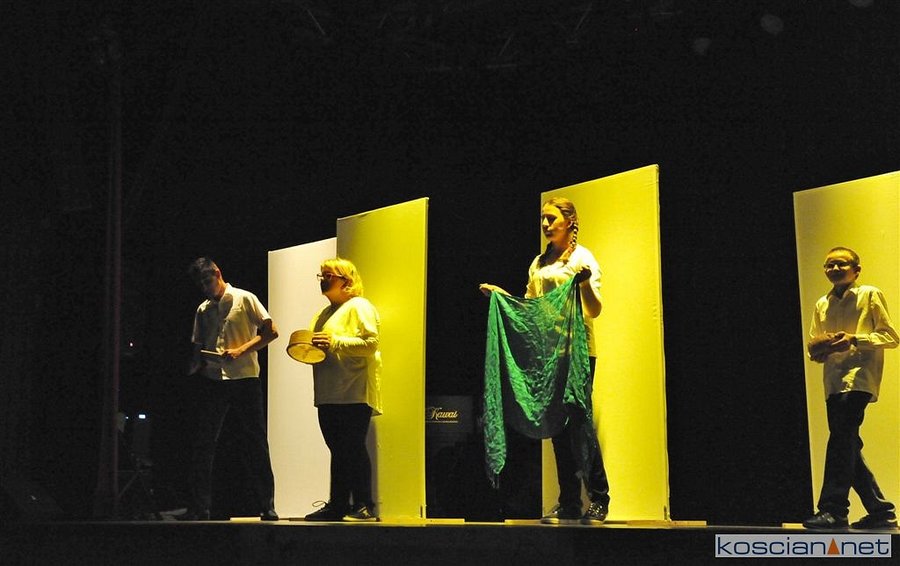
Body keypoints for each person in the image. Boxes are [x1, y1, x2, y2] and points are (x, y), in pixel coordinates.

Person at [480, 196, 610, 525]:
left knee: (579, 424)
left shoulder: (581, 258)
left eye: (552, 218)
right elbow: (531, 308)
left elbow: (594, 310)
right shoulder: (538, 263)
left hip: (577, 352)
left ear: (570, 221)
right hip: (548, 355)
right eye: (542, 218)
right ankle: (569, 502)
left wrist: (583, 284)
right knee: (556, 427)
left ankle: (599, 498)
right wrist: (501, 297)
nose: (545, 224)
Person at [803, 247, 898, 530]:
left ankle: (833, 509)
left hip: (859, 377)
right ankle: (880, 511)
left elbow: (891, 337)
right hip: (833, 381)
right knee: (846, 444)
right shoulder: (822, 303)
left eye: (840, 264)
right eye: (829, 265)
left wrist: (854, 339)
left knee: (841, 441)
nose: (834, 269)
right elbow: (813, 346)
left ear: (856, 270)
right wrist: (820, 348)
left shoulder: (869, 294)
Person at [185, 257, 279, 521]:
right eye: (201, 285)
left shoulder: (244, 298)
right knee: (204, 442)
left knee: (255, 441)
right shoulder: (203, 309)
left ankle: (266, 504)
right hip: (213, 379)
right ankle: (200, 507)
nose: (205, 288)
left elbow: (271, 332)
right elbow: (198, 345)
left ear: (217, 273)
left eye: (207, 281)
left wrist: (241, 350)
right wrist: (195, 364)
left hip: (244, 378)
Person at [303, 258, 382, 522]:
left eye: (328, 276)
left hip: (353, 389)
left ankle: (364, 505)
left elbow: (371, 343)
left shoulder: (359, 306)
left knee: (352, 447)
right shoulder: (322, 314)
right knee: (338, 449)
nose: (323, 280)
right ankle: (338, 504)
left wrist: (335, 342)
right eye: (321, 275)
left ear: (346, 281)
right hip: (328, 391)